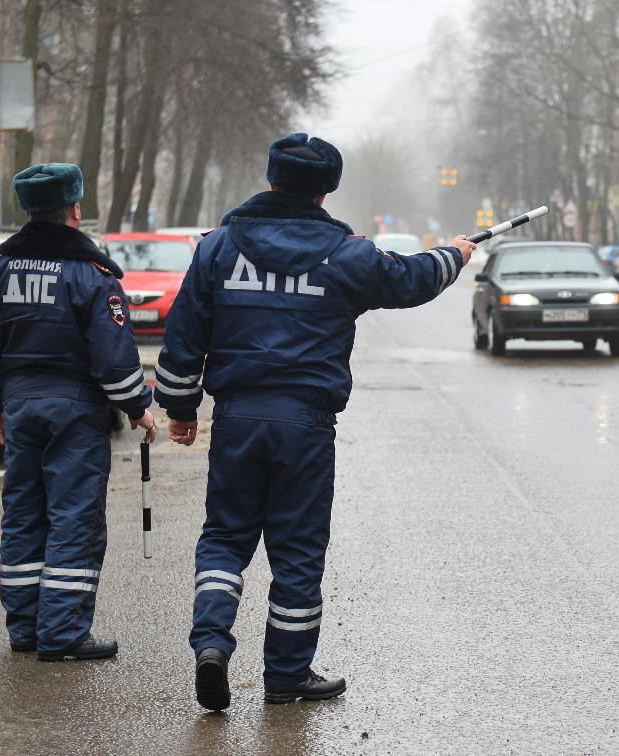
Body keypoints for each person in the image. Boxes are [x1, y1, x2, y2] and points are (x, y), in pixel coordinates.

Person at [155, 133, 475, 710]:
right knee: (297, 546)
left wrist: (180, 410)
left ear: (271, 177)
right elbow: (412, 279)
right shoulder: (348, 256)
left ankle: (210, 645)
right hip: (305, 423)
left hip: (237, 418)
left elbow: (182, 339)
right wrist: (455, 253)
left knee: (226, 537)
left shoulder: (218, 248)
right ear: (328, 189)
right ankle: (286, 675)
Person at [0, 163, 157, 661]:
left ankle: (26, 630)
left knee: (24, 515)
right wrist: (139, 410)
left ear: (28, 210)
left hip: (21, 407)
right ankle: (65, 633)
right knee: (74, 519)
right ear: (75, 209)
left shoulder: (0, 271)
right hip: (74, 411)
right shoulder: (92, 275)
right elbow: (114, 358)